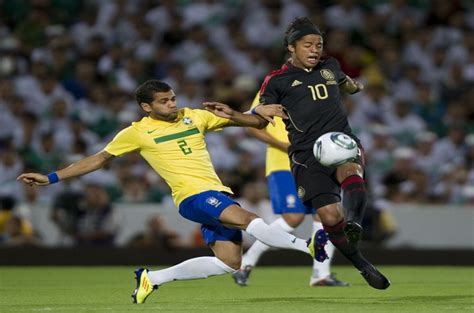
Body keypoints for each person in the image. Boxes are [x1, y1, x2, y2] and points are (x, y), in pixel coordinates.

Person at [17, 80, 327, 304]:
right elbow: (98, 159)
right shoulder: (136, 132)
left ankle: (153, 278)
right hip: (192, 197)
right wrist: (51, 177)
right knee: (249, 219)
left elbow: (248, 122)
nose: (172, 104)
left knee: (229, 262)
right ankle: (308, 247)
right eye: (165, 101)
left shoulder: (195, 116)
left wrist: (250, 111)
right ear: (146, 106)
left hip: (215, 192)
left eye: (173, 98)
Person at [248, 17, 390, 289]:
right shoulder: (276, 81)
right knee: (328, 216)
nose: (315, 50)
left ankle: (356, 225)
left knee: (351, 170)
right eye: (308, 45)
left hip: (340, 139)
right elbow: (261, 117)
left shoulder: (330, 66)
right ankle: (362, 264)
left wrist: (354, 86)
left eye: (319, 45)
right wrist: (254, 112)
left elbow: (347, 83)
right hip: (305, 155)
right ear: (292, 47)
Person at [232, 93, 349, 287]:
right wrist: (286, 146)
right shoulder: (270, 90)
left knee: (326, 215)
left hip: (316, 163)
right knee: (293, 216)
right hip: (283, 164)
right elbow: (251, 126)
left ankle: (321, 274)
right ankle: (246, 262)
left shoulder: (318, 89)